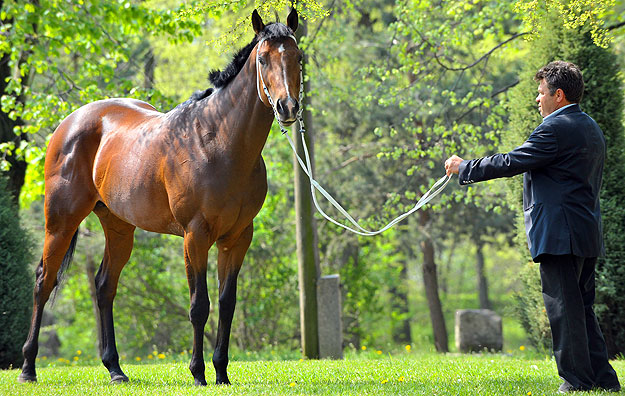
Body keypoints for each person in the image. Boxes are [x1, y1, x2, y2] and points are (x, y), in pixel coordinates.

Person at [444, 61, 621, 393]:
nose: (537, 100)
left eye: (541, 93)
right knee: (581, 310)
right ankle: (603, 380)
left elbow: (513, 160)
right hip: (583, 234)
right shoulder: (590, 127)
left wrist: (465, 166)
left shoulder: (555, 129)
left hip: (559, 235)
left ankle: (575, 381)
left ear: (558, 94)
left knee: (564, 311)